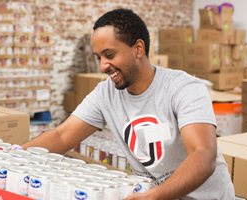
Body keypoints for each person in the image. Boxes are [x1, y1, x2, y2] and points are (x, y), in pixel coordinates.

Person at [20, 8, 235, 199]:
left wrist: (154, 197)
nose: (103, 65)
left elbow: (203, 155)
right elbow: (62, 136)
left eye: (110, 54)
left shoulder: (183, 88)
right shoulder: (106, 93)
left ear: (138, 48)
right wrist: (17, 153)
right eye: (98, 57)